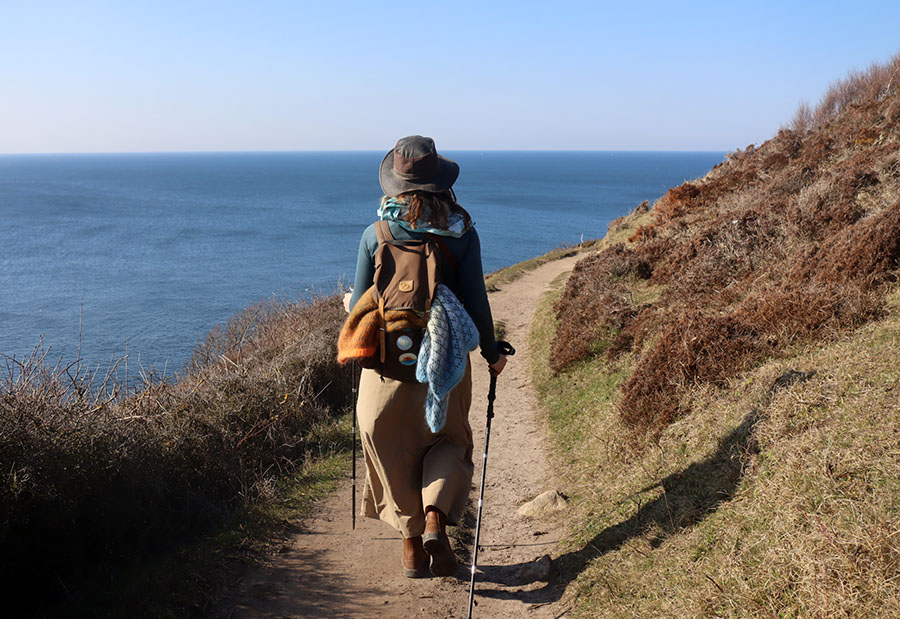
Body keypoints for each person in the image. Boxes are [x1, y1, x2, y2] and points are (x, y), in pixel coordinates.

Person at [346, 135, 507, 578]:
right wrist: (493, 355)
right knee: (449, 442)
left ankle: (412, 547)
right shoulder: (461, 233)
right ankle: (435, 514)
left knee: (391, 448)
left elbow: (362, 302)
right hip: (446, 366)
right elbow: (477, 303)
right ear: (440, 182)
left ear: (395, 183)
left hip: (386, 368)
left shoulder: (374, 234)